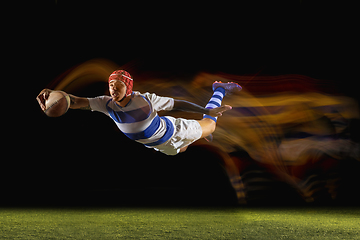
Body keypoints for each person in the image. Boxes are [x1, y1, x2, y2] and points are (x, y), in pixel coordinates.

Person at [37, 70, 242, 155]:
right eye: (110, 86)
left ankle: (219, 89)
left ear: (128, 87)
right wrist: (56, 94)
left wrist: (206, 110)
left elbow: (178, 104)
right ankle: (200, 133)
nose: (113, 90)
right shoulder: (106, 104)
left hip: (173, 130)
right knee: (183, 149)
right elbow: (73, 101)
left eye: (117, 86)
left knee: (211, 123)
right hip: (160, 146)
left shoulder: (145, 100)